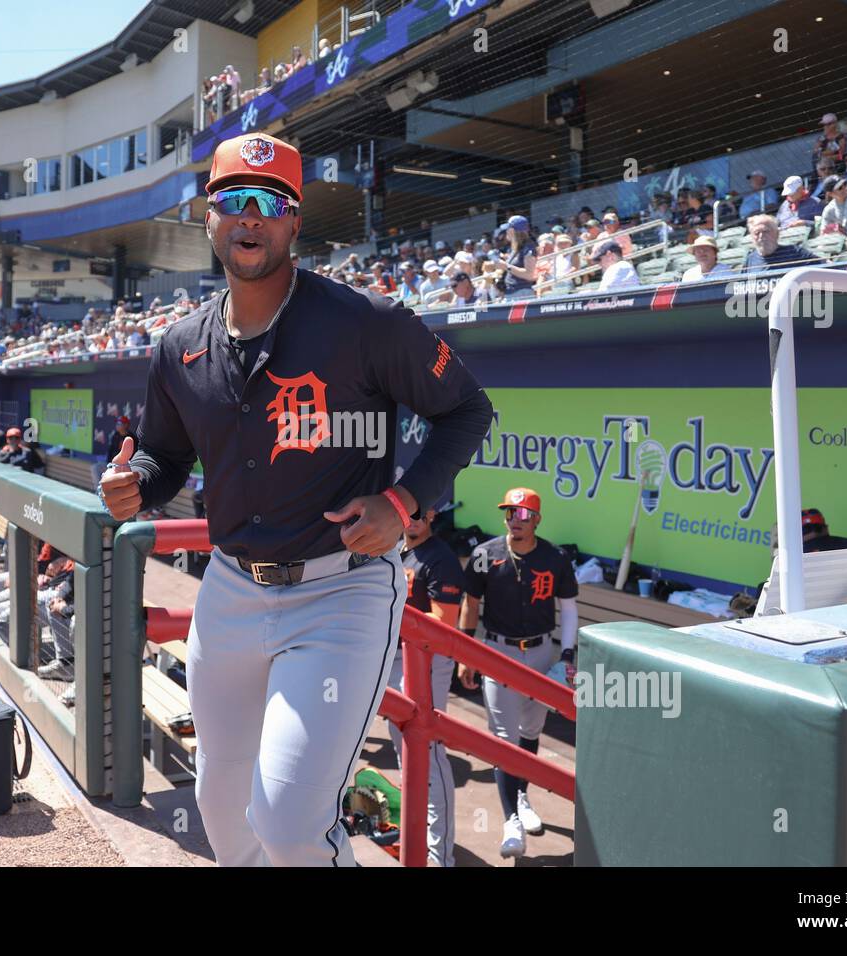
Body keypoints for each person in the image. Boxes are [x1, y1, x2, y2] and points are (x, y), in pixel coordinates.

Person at [96, 132, 494, 867]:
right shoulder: (178, 344)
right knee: (221, 811)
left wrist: (403, 502)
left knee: (288, 825)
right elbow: (164, 456)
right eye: (234, 201)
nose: (251, 218)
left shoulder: (366, 323)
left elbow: (467, 410)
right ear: (209, 217)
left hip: (337, 593)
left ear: (295, 221)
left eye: (270, 203)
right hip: (230, 592)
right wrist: (136, 486)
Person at [457, 488, 579, 860]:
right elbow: (470, 603)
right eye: (511, 512)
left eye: (524, 513)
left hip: (541, 653)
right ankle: (510, 818)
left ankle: (522, 796)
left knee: (530, 731)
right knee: (504, 739)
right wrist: (467, 653)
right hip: (499, 653)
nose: (516, 519)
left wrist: (569, 654)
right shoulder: (485, 554)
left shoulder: (554, 557)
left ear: (537, 519)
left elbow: (569, 608)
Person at [384, 506, 466, 867]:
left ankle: (439, 856)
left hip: (426, 663)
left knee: (429, 757)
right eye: (407, 514)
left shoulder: (441, 559)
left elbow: (443, 625)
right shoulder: (396, 550)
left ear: (431, 515)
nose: (412, 520)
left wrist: (387, 615)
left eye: (418, 514)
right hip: (396, 657)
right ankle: (414, 834)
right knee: (406, 757)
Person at [743, 214, 812, 271]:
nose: (761, 236)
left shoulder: (795, 253)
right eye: (757, 233)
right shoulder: (751, 259)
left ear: (777, 233)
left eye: (765, 232)